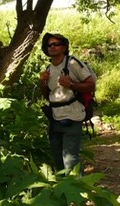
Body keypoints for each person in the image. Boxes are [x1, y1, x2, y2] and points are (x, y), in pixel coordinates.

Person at [38, 32, 96, 175]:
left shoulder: (73, 63)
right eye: (49, 45)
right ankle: (64, 190)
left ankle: (79, 191)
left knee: (70, 158)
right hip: (54, 117)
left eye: (56, 44)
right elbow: (47, 95)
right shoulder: (48, 69)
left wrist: (71, 84)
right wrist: (42, 83)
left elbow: (91, 85)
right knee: (58, 158)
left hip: (73, 115)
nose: (52, 47)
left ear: (64, 47)